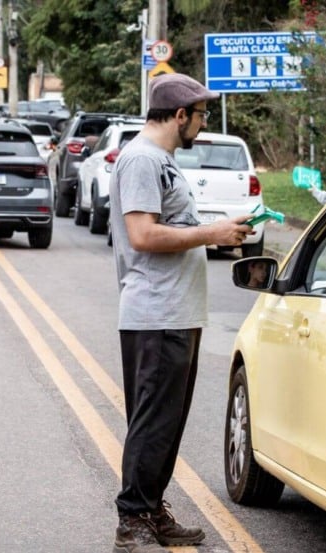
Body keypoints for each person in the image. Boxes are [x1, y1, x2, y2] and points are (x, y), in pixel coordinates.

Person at [108, 73, 254, 553]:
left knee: (166, 422)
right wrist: (211, 234)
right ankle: (132, 520)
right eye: (200, 114)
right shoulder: (141, 160)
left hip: (176, 313)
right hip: (156, 314)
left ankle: (151, 509)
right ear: (178, 116)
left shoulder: (163, 161)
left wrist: (218, 231)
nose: (203, 121)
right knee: (152, 421)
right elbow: (143, 236)